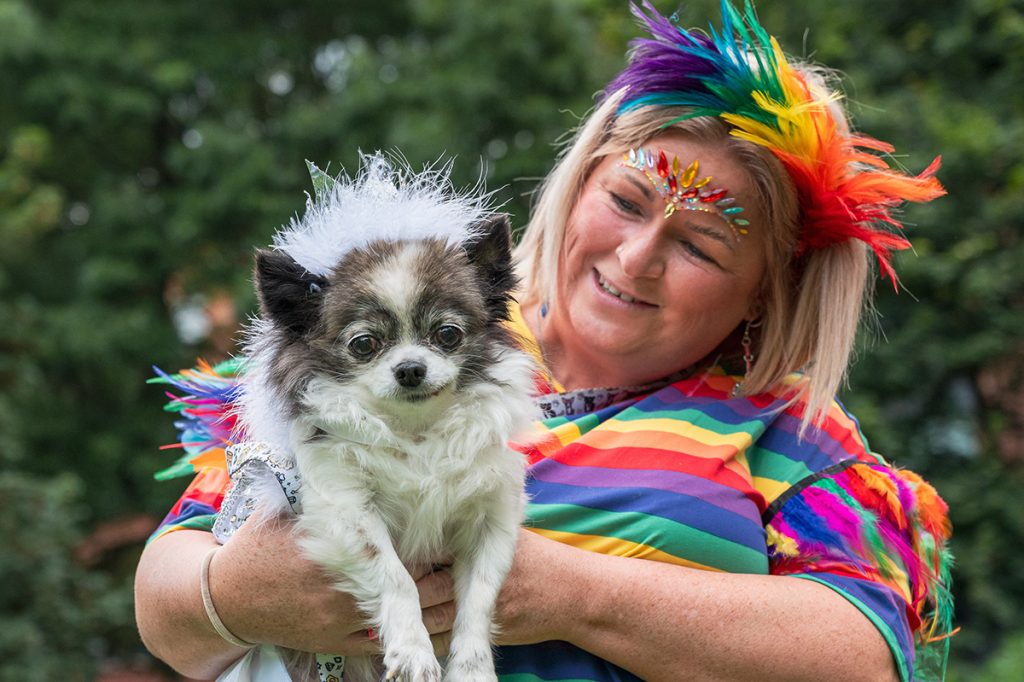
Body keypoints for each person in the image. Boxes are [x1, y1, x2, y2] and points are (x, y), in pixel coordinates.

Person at [134, 1, 955, 680]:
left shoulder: (789, 432)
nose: (638, 259)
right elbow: (165, 604)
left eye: (702, 246)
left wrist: (568, 593)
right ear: (578, 184)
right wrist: (233, 596)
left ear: (767, 291)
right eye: (628, 202)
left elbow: (865, 655)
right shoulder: (362, 350)